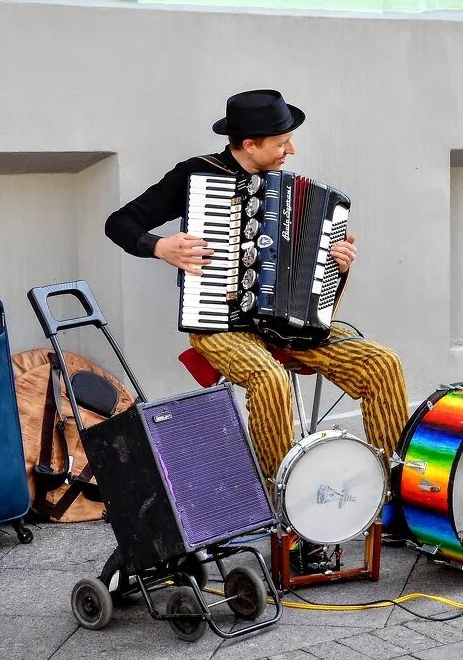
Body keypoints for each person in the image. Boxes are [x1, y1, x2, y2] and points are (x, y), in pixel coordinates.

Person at [105, 89, 409, 573]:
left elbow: (317, 293)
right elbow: (119, 223)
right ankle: (288, 512)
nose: (290, 151)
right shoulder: (196, 175)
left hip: (292, 329)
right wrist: (159, 246)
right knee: (266, 379)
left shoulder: (289, 193)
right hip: (221, 325)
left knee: (382, 363)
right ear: (248, 143)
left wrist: (337, 264)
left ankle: (395, 503)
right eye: (282, 142)